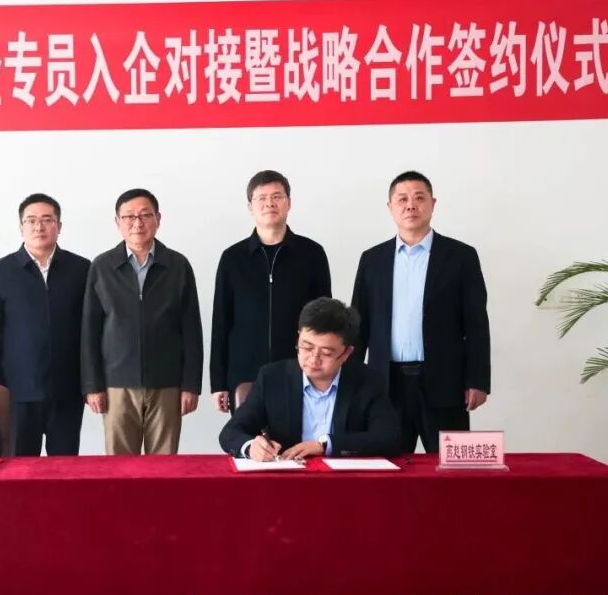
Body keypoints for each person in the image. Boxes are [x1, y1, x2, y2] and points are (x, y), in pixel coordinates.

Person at [351, 170, 491, 454]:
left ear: (433, 203)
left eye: (419, 198)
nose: (410, 205)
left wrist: (478, 380)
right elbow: (358, 325)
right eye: (402, 199)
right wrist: (351, 381)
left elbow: (476, 324)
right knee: (386, 467)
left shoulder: (461, 257)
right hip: (386, 384)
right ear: (390, 207)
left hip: (445, 383)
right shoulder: (372, 260)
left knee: (451, 470)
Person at [81, 188, 203, 455]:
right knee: (120, 467)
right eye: (129, 216)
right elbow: (89, 331)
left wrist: (191, 385)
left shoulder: (177, 265)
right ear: (118, 222)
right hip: (116, 385)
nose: (137, 223)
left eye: (145, 215)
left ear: (158, 219)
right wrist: (93, 386)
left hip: (167, 383)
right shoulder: (102, 266)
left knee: (164, 466)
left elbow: (192, 330)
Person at [0, 193, 91, 456]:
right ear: (21, 227)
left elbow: (90, 331)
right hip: (17, 393)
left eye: (47, 220)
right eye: (31, 220)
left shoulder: (81, 269)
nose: (39, 227)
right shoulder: (0, 272)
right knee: (19, 468)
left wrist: (90, 383)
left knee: (64, 468)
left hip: (68, 390)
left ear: (59, 226)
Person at [210, 169, 331, 414]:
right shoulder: (233, 258)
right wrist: (218, 383)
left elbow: (324, 321)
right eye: (261, 198)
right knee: (248, 437)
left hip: (300, 371)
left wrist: (325, 372)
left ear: (288, 203)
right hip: (244, 374)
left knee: (298, 437)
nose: (269, 203)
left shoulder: (312, 253)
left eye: (277, 196)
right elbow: (221, 323)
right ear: (250, 207)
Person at [219, 297, 399, 460]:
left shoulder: (368, 381)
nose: (313, 359)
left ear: (346, 354)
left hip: (343, 480)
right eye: (306, 347)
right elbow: (231, 432)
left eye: (326, 352)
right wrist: (250, 447)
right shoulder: (272, 378)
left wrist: (326, 445)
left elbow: (389, 438)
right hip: (289, 478)